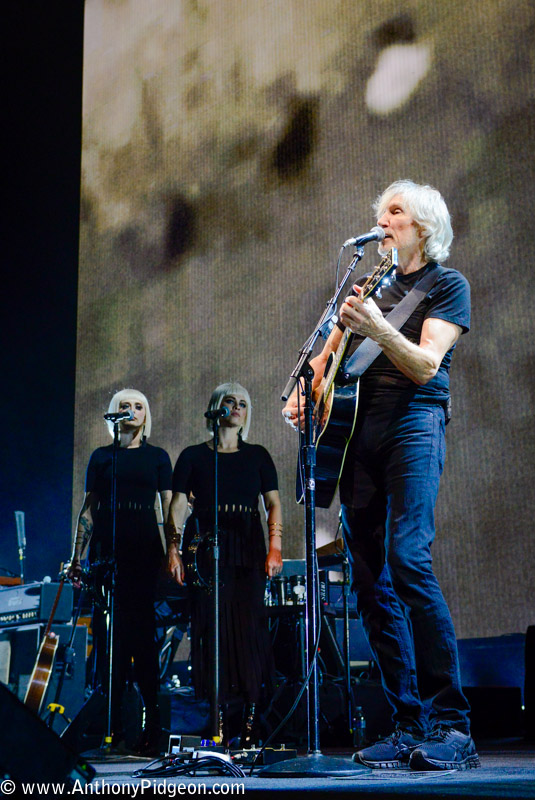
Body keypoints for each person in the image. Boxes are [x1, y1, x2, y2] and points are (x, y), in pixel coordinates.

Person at [283, 180, 479, 771]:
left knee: (408, 559)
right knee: (368, 576)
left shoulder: (447, 285)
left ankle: (452, 723)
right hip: (357, 437)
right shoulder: (368, 287)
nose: (382, 221)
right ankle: (407, 724)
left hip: (414, 424)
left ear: (423, 224)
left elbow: (424, 364)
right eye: (379, 213)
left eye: (394, 212)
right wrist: (306, 391)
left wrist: (377, 327)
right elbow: (326, 360)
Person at [167, 382, 283, 746]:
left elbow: (274, 504)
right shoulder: (192, 456)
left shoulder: (259, 455)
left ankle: (249, 725)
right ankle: (216, 723)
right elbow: (177, 505)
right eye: (229, 402)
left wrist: (275, 547)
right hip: (204, 548)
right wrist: (173, 549)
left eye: (243, 404)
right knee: (210, 630)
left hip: (247, 548)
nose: (236, 408)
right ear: (215, 407)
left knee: (247, 634)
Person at [69, 389, 172, 756]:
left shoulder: (158, 457)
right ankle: (110, 726)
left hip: (143, 553)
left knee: (142, 640)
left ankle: (152, 723)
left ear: (147, 414)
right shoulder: (101, 458)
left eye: (139, 406)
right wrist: (76, 556)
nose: (131, 411)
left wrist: (173, 551)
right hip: (106, 557)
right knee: (109, 638)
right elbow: (87, 511)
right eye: (124, 406)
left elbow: (168, 510)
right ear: (113, 414)